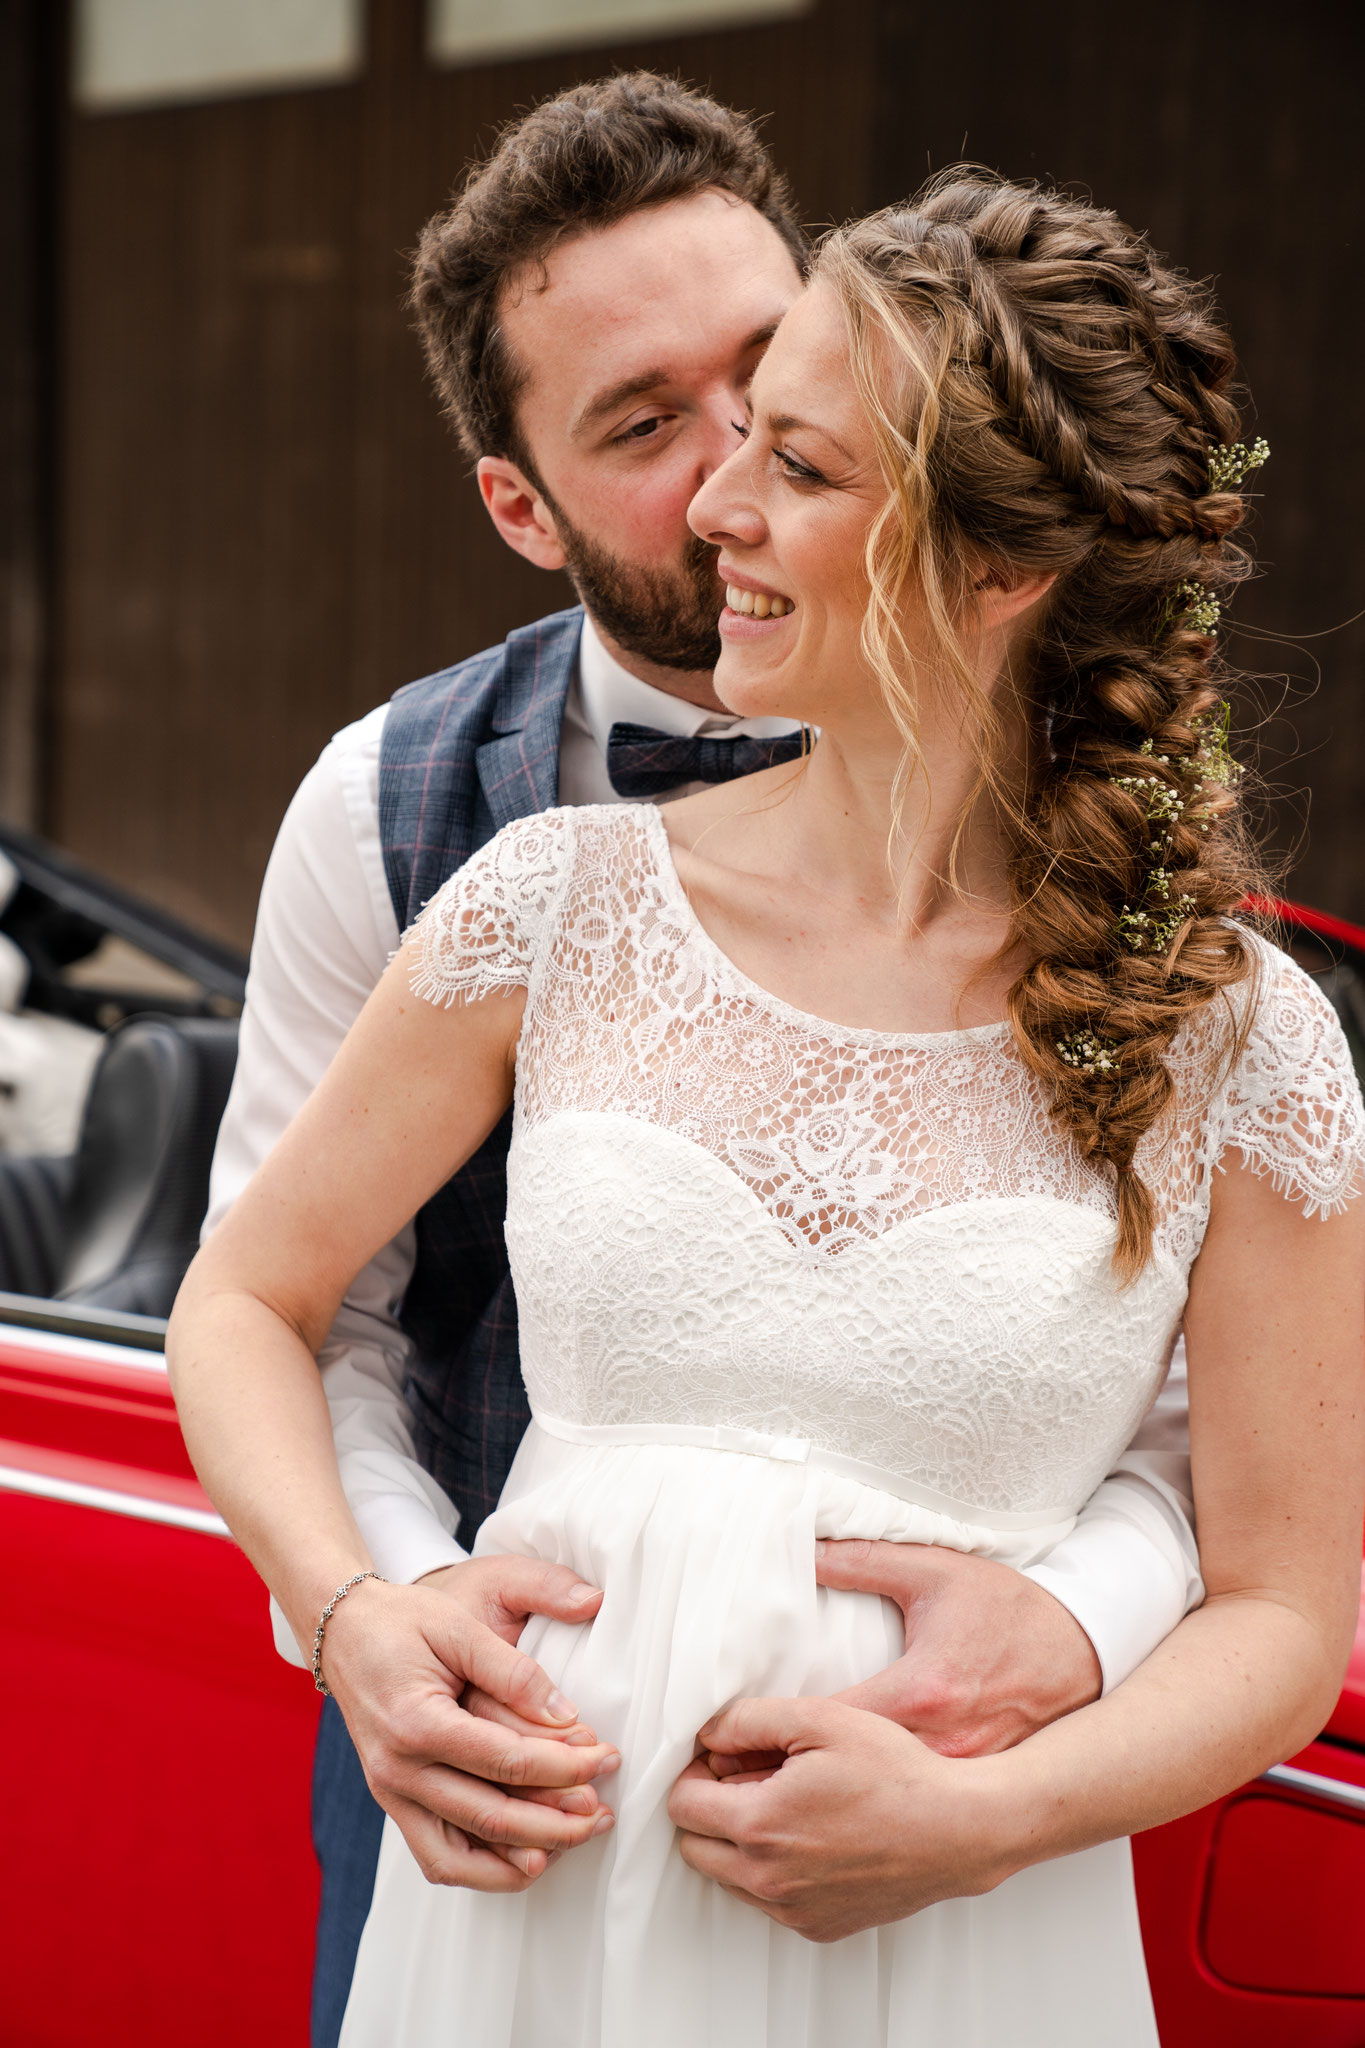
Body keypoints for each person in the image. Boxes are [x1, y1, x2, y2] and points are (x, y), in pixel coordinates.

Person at [198, 82, 1217, 2042]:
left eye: (771, 376)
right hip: (495, 1786)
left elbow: (1170, 1373)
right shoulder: (408, 830)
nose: (736, 458)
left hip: (939, 1819)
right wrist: (386, 1624)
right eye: (644, 424)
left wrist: (1067, 1635)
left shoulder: (1131, 888)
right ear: (524, 505)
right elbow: (289, 1295)